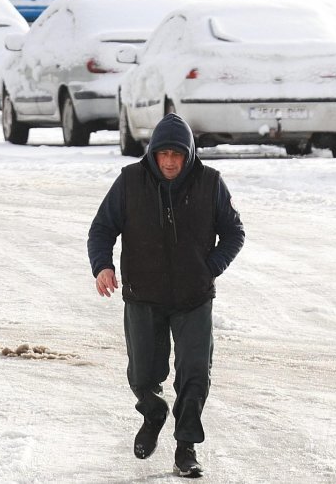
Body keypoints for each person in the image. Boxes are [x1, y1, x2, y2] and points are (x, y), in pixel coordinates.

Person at [88, 113, 245, 478]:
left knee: (194, 374)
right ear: (153, 154)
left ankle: (186, 446)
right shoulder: (129, 182)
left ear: (189, 154)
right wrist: (102, 266)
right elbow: (102, 229)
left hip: (194, 296)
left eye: (178, 154)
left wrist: (211, 267)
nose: (171, 161)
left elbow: (234, 233)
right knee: (143, 372)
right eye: (164, 154)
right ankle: (153, 412)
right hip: (143, 294)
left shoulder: (210, 183)